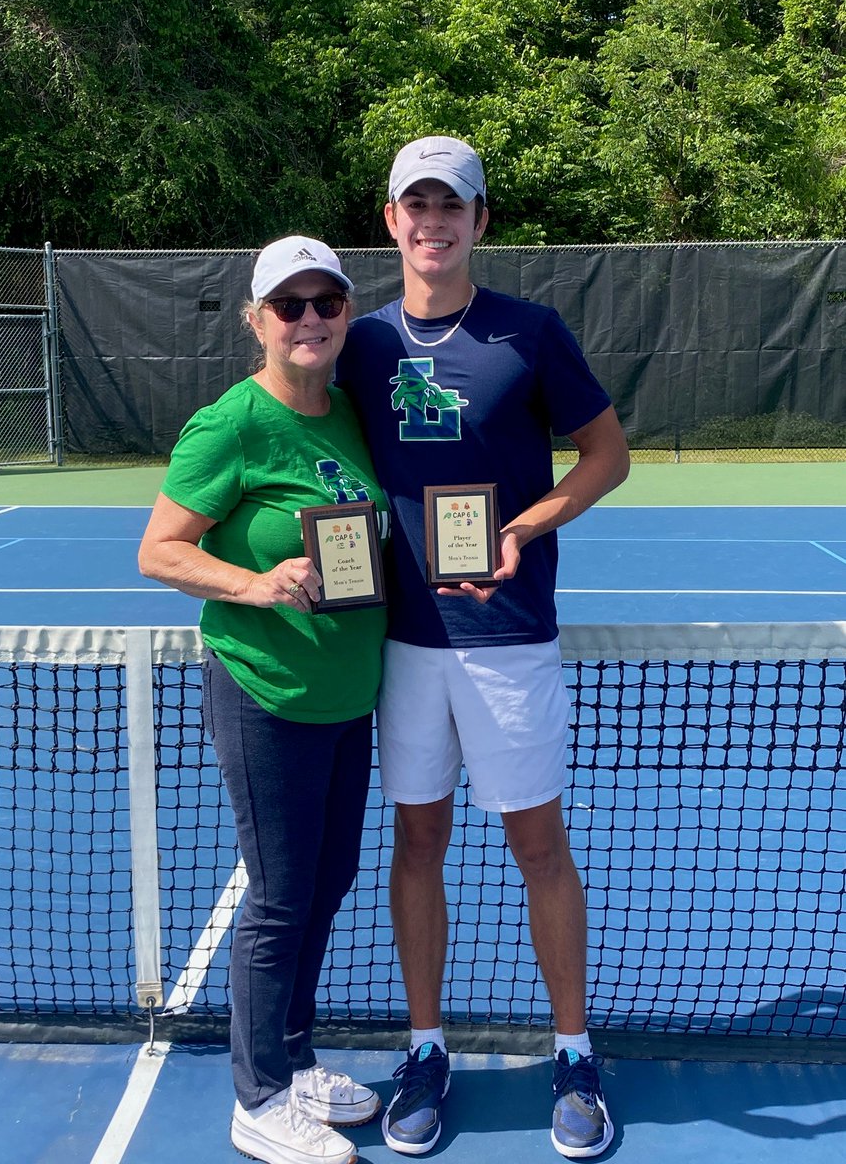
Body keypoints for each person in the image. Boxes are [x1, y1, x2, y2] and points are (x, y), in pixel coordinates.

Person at [336, 137, 630, 1160]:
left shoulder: (531, 333)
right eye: (414, 206)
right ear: (390, 222)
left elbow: (608, 454)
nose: (432, 223)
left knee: (538, 847)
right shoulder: (358, 344)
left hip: (508, 643)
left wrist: (528, 526)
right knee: (417, 845)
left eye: (450, 206)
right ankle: (427, 1050)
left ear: (479, 221)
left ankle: (573, 1053)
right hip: (404, 645)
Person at [139, 236, 391, 1164]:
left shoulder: (356, 415)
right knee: (282, 895)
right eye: (290, 306)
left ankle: (295, 1055)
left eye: (326, 302)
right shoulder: (231, 424)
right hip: (266, 692)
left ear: (346, 314)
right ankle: (258, 1096)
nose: (311, 319)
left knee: (326, 885)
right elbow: (160, 549)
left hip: (346, 697)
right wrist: (253, 584)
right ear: (258, 321)